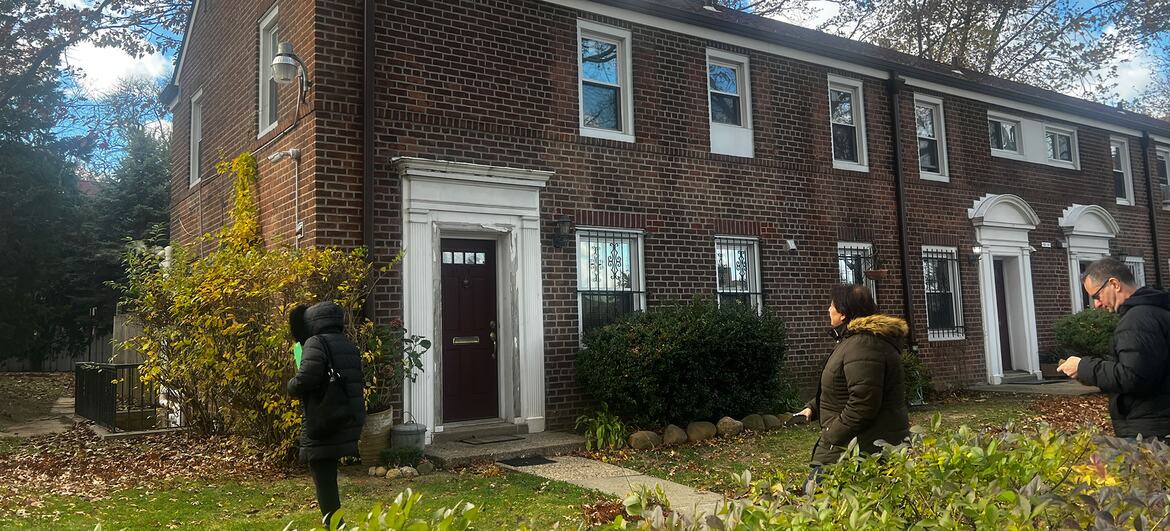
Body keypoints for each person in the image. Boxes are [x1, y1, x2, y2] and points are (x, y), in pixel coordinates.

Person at [795, 283, 910, 493]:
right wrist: (814, 406)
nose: (828, 309)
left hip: (860, 448)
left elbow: (863, 404)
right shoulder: (855, 342)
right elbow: (844, 385)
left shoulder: (864, 345)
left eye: (832, 305)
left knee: (816, 504)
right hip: (855, 444)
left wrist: (832, 433)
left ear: (844, 314)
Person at [1057, 257, 1170, 439]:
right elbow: (1148, 369)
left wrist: (1083, 367)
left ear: (1114, 284)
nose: (1097, 304)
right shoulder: (1157, 312)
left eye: (1097, 296)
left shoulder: (1137, 320)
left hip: (1148, 432)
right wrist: (1089, 375)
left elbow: (1133, 377)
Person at [288, 301, 366, 527]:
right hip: (344, 419)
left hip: (323, 420)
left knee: (324, 480)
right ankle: (335, 523)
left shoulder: (315, 342)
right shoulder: (348, 345)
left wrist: (291, 385)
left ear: (313, 322)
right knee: (328, 475)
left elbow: (306, 379)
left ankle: (334, 526)